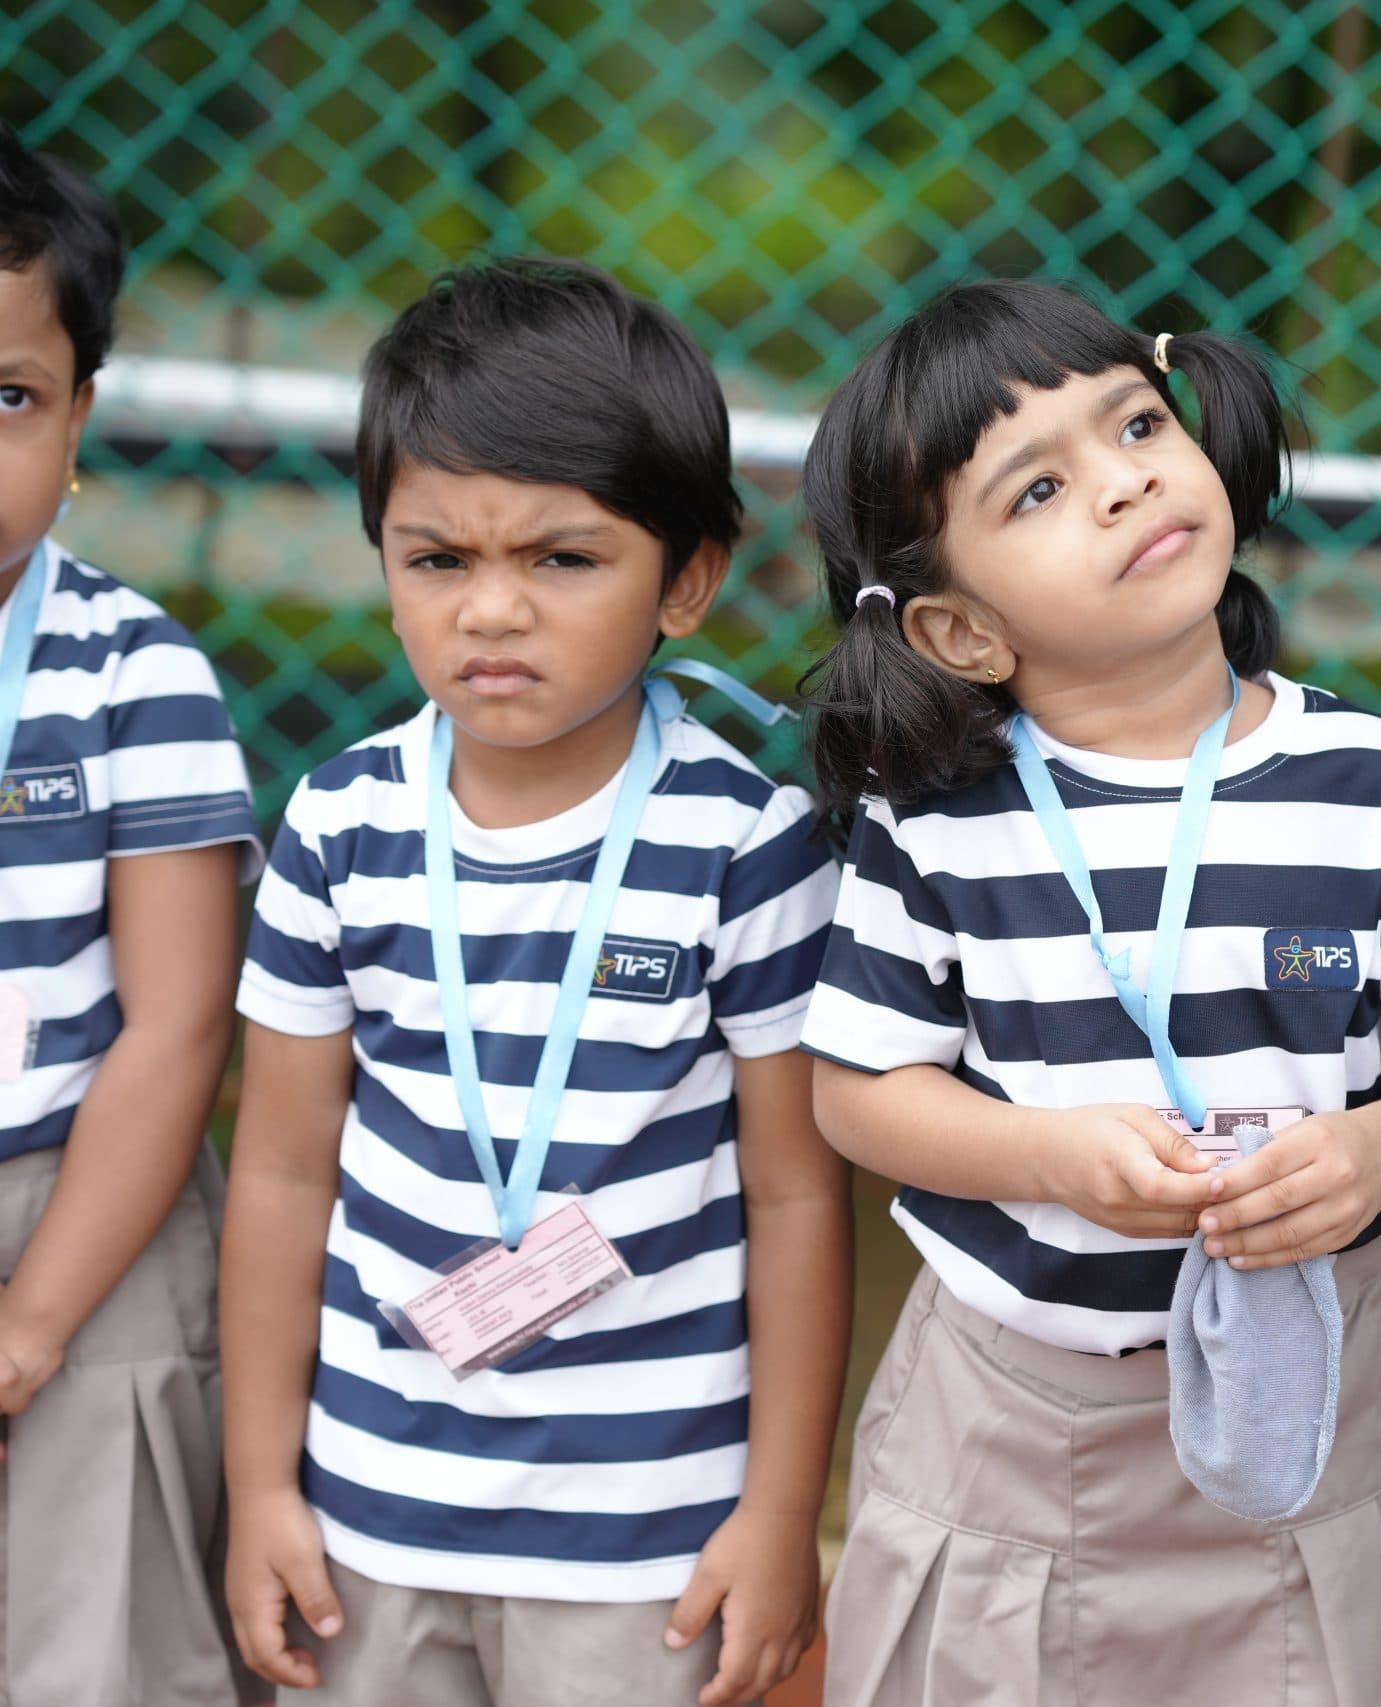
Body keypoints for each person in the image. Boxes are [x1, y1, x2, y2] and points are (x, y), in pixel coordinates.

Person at [798, 278, 1381, 1706]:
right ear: (959, 633)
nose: (1123, 478)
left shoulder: (1375, 785)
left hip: (1319, 1402)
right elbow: (858, 1091)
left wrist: (1380, 1148)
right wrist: (1047, 1156)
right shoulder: (939, 821)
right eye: (1035, 491)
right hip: (1015, 1430)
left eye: (1135, 422)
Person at [221, 257, 850, 1707]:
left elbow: (799, 1197)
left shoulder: (743, 847)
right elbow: (278, 1171)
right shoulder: (339, 824)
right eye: (438, 559)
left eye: (561, 560)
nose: (490, 610)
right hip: (366, 1511)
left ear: (685, 581)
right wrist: (263, 1487)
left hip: (652, 1542)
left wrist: (776, 1512)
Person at [0, 121, 263, 1707]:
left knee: (98, 1643)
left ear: (80, 417)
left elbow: (175, 1029)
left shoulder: (131, 670)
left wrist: (30, 1325)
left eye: (6, 397)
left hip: (85, 1209)